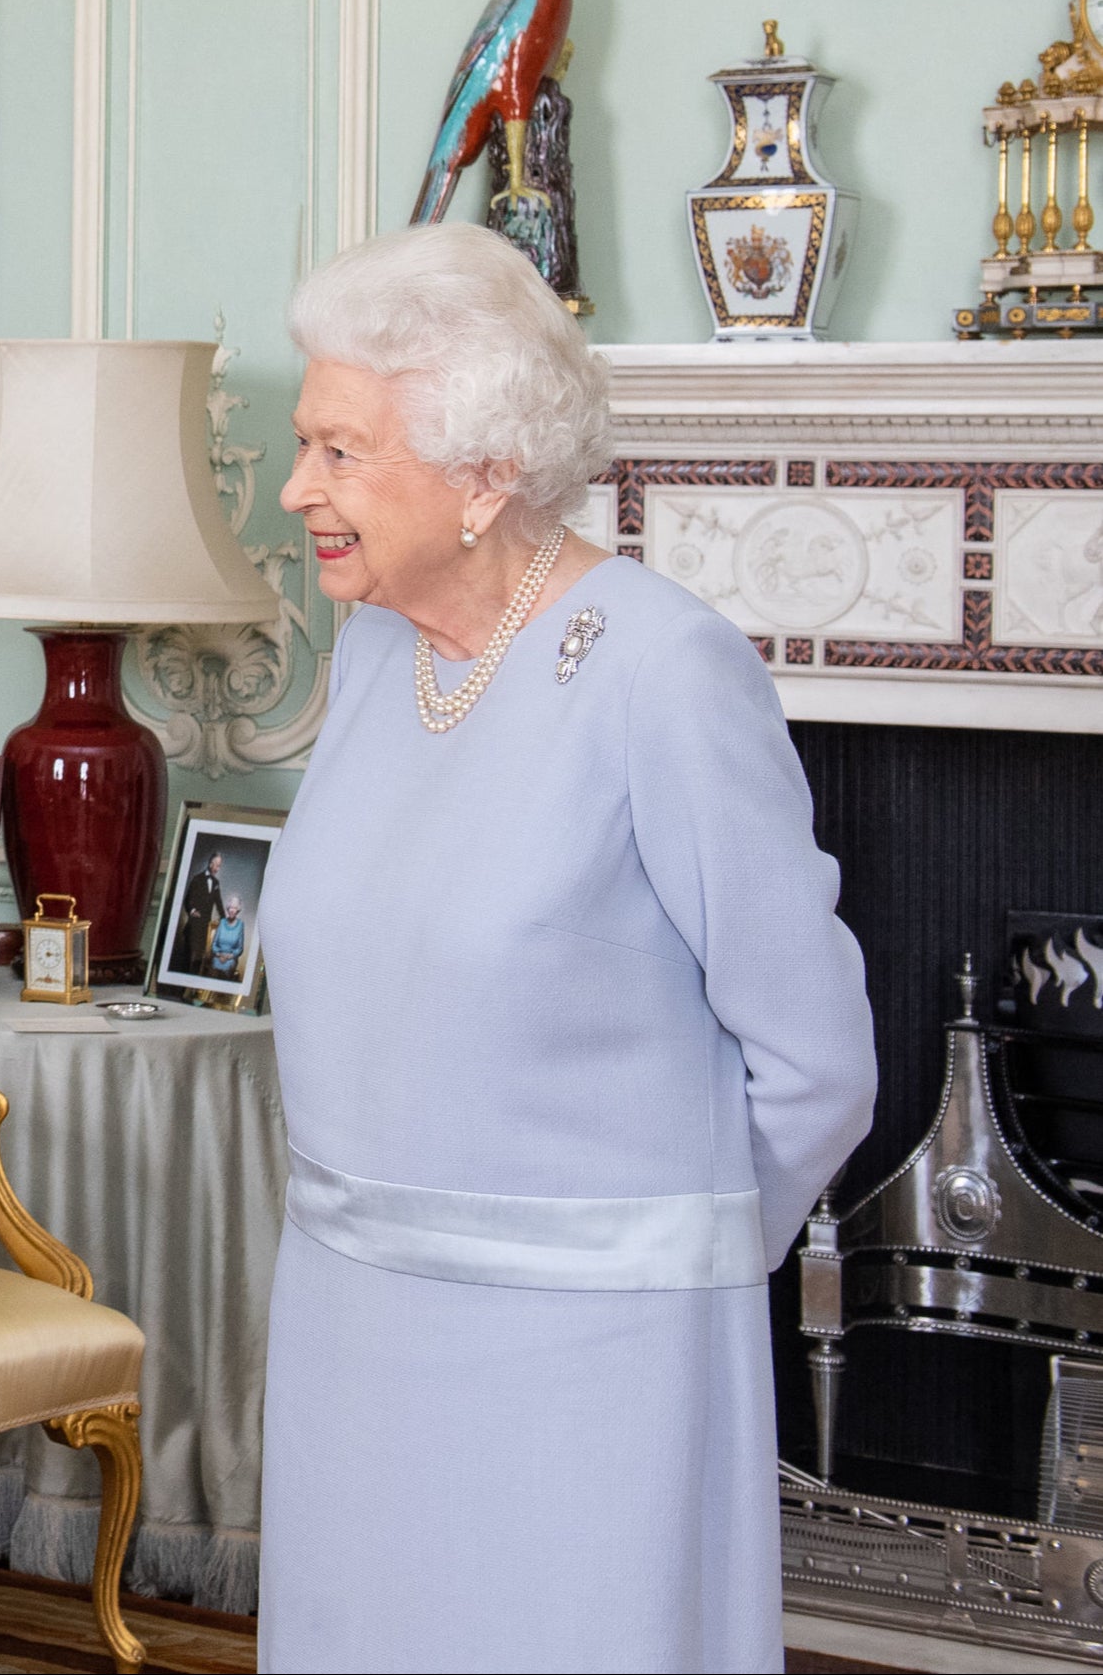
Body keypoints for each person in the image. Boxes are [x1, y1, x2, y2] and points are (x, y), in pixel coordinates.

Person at [254, 224, 873, 1673]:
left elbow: (817, 1062)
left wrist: (666, 1264)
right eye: (303, 444)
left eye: (339, 451)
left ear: (483, 476)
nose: (297, 489)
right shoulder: (376, 648)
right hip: (353, 1325)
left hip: (595, 1362)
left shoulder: (663, 670)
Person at [170, 847, 227, 976]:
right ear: (210, 863)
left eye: (219, 866)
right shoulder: (197, 879)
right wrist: (193, 910)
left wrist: (224, 919)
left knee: (199, 957)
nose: (217, 868)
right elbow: (188, 900)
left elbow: (218, 902)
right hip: (194, 925)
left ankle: (192, 980)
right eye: (216, 865)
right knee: (188, 955)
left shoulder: (216, 882)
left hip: (204, 926)